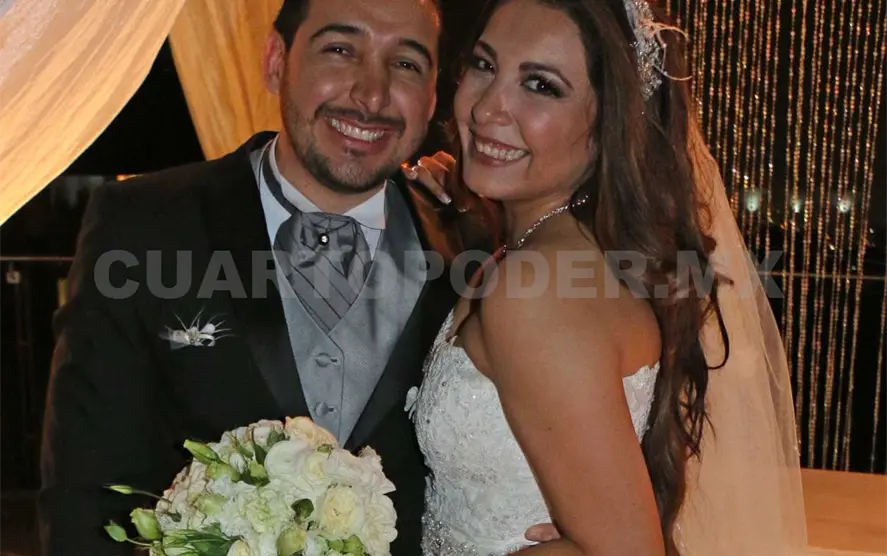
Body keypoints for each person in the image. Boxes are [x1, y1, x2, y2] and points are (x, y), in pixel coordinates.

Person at [38, 0, 525, 553]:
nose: (372, 94)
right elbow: (83, 496)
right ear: (276, 61)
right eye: (340, 50)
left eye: (406, 64)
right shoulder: (143, 226)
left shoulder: (473, 245)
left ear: (433, 96)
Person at [409, 0, 811, 554]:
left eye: (541, 86)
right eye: (484, 65)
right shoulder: (565, 253)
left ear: (607, 127)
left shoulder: (536, 289)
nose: (486, 108)